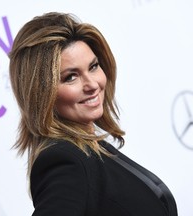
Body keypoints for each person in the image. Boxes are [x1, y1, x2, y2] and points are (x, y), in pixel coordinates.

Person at [9, 12, 178, 216]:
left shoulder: (89, 148)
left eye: (93, 67)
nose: (92, 84)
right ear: (42, 93)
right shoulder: (65, 162)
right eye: (71, 77)